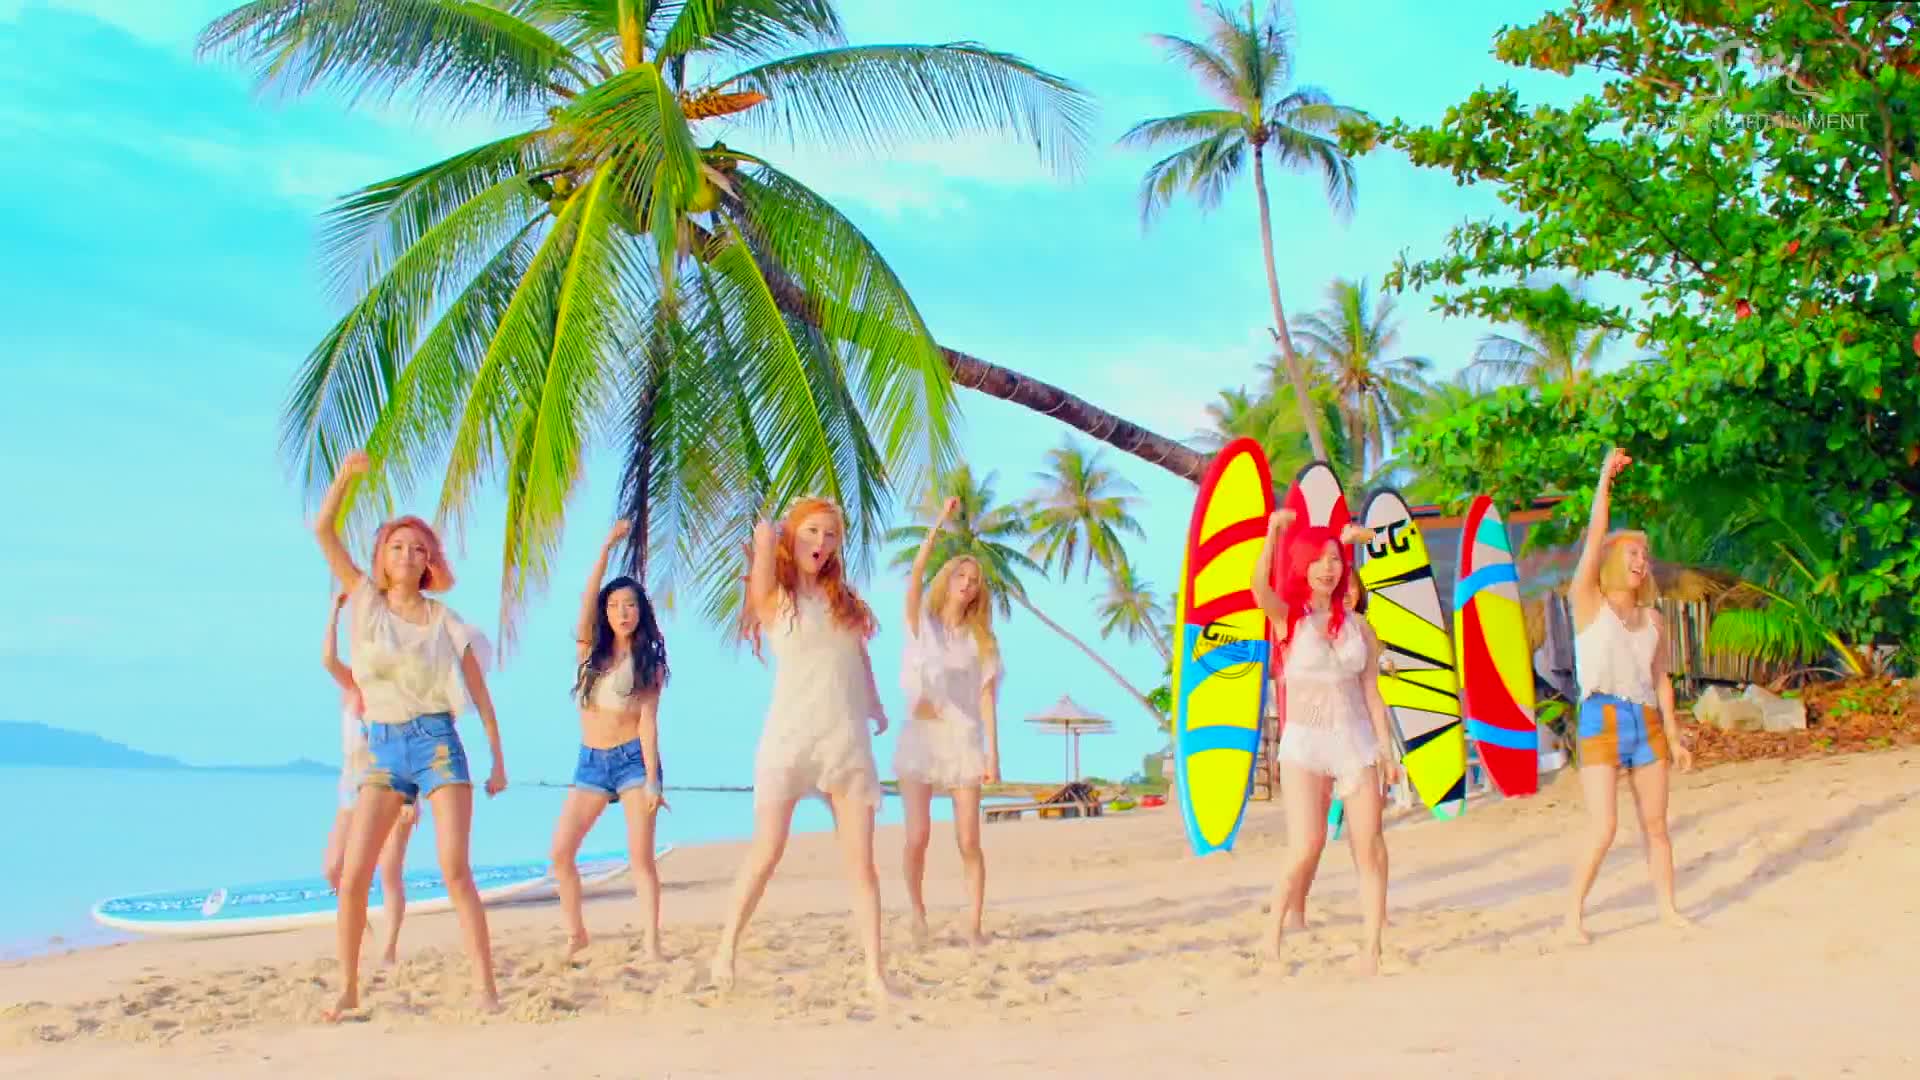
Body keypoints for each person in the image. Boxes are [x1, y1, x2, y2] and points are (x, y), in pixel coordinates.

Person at [312, 449, 508, 1020]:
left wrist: (497, 758)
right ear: (381, 556)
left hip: (438, 742)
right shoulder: (364, 602)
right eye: (397, 546)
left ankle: (487, 989)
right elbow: (323, 531)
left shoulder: (446, 621)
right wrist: (344, 478)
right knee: (355, 875)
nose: (407, 555)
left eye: (418, 549)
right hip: (383, 747)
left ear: (429, 563)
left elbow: (479, 694)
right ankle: (349, 990)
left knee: (454, 869)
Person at [710, 496, 899, 1003]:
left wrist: (876, 706)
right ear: (794, 535)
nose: (822, 542)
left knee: (862, 864)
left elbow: (859, 657)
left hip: (845, 740)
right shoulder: (778, 598)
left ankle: (875, 973)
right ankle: (725, 950)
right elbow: (760, 578)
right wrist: (766, 540)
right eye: (813, 531)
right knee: (766, 852)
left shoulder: (844, 601)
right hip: (790, 739)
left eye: (831, 535)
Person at [1250, 510, 1400, 973]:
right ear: (1303, 565)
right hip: (1305, 745)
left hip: (1356, 742)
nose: (1328, 568)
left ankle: (1372, 949)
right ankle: (1271, 939)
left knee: (1369, 844)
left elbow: (1372, 693)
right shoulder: (1288, 620)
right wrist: (1273, 533)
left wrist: (1387, 750)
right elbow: (1258, 590)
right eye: (1318, 560)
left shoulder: (1360, 627)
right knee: (1306, 844)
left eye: (1335, 559)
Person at [1564, 448, 1695, 944]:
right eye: (1632, 554)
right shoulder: (1588, 602)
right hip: (1600, 717)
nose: (1641, 562)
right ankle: (1572, 915)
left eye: (1644, 555)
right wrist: (1604, 480)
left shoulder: (1653, 618)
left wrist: (1675, 736)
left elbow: (1660, 678)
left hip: (1646, 722)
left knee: (1656, 825)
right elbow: (1595, 535)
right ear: (1613, 561)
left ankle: (1668, 909)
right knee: (1604, 828)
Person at [549, 519, 671, 961]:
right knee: (561, 854)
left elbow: (648, 724)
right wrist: (605, 547)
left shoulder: (649, 664)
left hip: (632, 761)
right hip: (591, 763)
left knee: (641, 858)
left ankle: (652, 943)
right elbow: (587, 597)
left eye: (631, 605)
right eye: (615, 605)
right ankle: (576, 934)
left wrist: (653, 781)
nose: (623, 612)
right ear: (605, 611)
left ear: (641, 613)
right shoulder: (588, 651)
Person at [896, 495, 1002, 948]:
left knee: (968, 840)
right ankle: (917, 914)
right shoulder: (923, 623)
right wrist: (938, 521)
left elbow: (986, 698)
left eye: (973, 580)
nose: (967, 583)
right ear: (949, 580)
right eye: (960, 576)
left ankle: (974, 924)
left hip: (963, 740)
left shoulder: (982, 640)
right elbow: (916, 574)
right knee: (917, 836)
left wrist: (993, 755)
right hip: (922, 737)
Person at [320, 590, 419, 966]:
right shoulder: (352, 687)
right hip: (352, 789)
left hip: (393, 787)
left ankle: (389, 952)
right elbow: (328, 660)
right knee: (335, 869)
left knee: (389, 870)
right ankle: (362, 931)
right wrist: (334, 611)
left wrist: (411, 798)